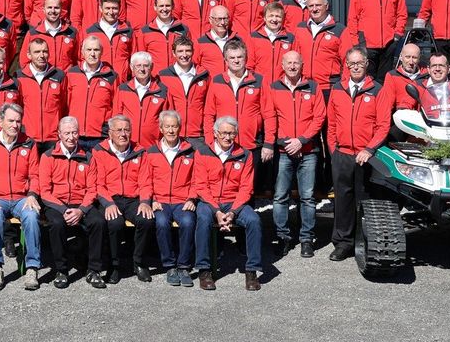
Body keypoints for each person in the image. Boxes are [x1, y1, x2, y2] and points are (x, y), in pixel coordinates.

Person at [325, 47, 390, 262]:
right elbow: (331, 123)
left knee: (365, 201)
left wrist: (369, 149)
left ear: (367, 64)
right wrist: (334, 150)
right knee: (342, 200)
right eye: (351, 63)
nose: (355, 67)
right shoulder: (337, 89)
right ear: (346, 65)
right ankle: (343, 243)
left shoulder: (377, 89)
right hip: (342, 154)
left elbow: (383, 125)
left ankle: (366, 241)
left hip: (366, 156)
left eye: (359, 63)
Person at [0, 103, 43, 291]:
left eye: (18, 121)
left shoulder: (29, 143)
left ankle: (32, 267)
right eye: (11, 121)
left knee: (32, 217)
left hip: (22, 198)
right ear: (1, 121)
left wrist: (32, 194)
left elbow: (35, 175)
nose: (15, 125)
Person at [192, 116, 263, 291]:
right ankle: (204, 270)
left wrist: (232, 212)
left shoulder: (245, 154)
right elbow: (201, 186)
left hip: (234, 202)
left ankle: (252, 270)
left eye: (231, 133)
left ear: (236, 134)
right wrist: (217, 211)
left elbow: (246, 188)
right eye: (223, 133)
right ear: (215, 133)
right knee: (202, 219)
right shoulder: (202, 152)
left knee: (254, 220)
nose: (227, 137)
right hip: (209, 201)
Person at [267, 51, 324, 258]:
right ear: (282, 65)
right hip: (283, 151)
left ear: (302, 65)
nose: (292, 66)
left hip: (308, 151)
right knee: (280, 196)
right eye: (289, 63)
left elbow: (319, 117)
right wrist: (285, 142)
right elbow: (270, 116)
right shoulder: (274, 87)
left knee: (307, 197)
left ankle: (306, 239)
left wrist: (301, 140)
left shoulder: (313, 87)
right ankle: (282, 237)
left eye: (296, 63)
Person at [37, 117, 106, 288]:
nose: (70, 137)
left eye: (74, 132)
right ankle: (62, 270)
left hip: (81, 203)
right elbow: (44, 191)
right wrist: (63, 209)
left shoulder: (88, 157)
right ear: (59, 134)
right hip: (56, 203)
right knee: (56, 224)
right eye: (66, 133)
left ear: (79, 133)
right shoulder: (48, 156)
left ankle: (94, 270)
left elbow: (92, 189)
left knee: (98, 222)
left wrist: (81, 210)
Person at [137, 111, 201, 287]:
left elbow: (197, 179)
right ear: (161, 129)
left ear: (179, 128)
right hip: (161, 201)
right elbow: (146, 180)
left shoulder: (190, 151)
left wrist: (192, 198)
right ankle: (170, 265)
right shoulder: (151, 152)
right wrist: (151, 201)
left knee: (188, 222)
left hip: (182, 201)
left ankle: (184, 266)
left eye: (174, 126)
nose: (171, 130)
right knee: (161, 223)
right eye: (167, 127)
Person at [89, 115, 155, 283]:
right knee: (115, 223)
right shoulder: (99, 151)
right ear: (110, 133)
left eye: (127, 130)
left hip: (133, 199)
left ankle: (138, 262)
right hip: (110, 198)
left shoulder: (140, 151)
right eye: (119, 130)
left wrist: (145, 202)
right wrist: (108, 203)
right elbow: (98, 184)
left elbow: (146, 182)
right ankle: (114, 265)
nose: (123, 134)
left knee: (146, 220)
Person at [202, 41, 275, 160]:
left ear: (246, 58)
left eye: (239, 57)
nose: (236, 61)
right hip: (224, 146)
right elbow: (209, 115)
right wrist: (210, 142)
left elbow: (269, 114)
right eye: (232, 58)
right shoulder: (217, 81)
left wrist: (269, 143)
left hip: (252, 145)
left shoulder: (258, 80)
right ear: (226, 61)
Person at [346, 0, 409, 79]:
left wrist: (397, 36)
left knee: (385, 80)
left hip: (389, 44)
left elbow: (402, 14)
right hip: (366, 44)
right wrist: (356, 42)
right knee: (367, 81)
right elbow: (353, 17)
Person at [16, 38, 69, 154]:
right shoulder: (19, 77)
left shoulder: (59, 75)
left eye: (44, 51)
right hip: (28, 137)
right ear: (29, 55)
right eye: (37, 52)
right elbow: (17, 108)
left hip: (53, 138)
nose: (41, 55)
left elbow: (64, 106)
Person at [291, 0, 347, 98]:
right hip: (304, 85)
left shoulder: (340, 30)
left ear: (326, 6)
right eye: (311, 6)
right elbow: (295, 56)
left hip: (329, 87)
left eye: (318, 5)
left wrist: (344, 86)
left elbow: (347, 61)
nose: (314, 9)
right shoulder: (300, 28)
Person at [66, 36, 120, 147]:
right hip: (75, 134)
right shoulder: (72, 73)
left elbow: (116, 106)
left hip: (100, 135)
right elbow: (65, 103)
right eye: (89, 50)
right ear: (82, 52)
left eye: (96, 50)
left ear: (102, 52)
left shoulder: (111, 76)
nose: (92, 54)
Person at [113, 51, 173, 146]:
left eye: (146, 66)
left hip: (153, 146)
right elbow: (116, 117)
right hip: (128, 145)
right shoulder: (122, 89)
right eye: (138, 65)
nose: (142, 69)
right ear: (132, 67)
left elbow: (168, 119)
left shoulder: (162, 90)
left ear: (151, 67)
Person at [157, 36, 209, 139]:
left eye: (188, 51)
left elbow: (209, 106)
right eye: (180, 51)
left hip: (198, 135)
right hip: (172, 135)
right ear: (174, 53)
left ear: (193, 52)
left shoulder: (204, 75)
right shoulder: (163, 76)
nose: (184, 55)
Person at [78, 0, 134, 79]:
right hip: (99, 81)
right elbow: (83, 58)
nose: (111, 12)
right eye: (107, 8)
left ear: (119, 9)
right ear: (101, 8)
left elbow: (134, 58)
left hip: (122, 81)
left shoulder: (128, 31)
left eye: (114, 8)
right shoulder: (90, 32)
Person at [134, 0, 191, 76]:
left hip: (177, 78)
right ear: (155, 7)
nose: (164, 9)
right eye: (161, 6)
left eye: (167, 5)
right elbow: (140, 60)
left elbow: (190, 55)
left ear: (173, 6)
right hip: (155, 80)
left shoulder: (183, 29)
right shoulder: (144, 32)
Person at [19, 0, 78, 70]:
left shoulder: (72, 33)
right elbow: (24, 62)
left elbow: (77, 60)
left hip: (66, 77)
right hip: (43, 77)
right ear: (43, 9)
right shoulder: (32, 34)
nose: (53, 11)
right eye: (49, 7)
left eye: (56, 8)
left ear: (61, 9)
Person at [247, 2, 296, 82]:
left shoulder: (290, 39)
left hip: (282, 86)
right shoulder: (254, 37)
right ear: (264, 18)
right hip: (260, 85)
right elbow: (249, 65)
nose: (274, 19)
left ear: (283, 19)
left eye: (278, 16)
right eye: (271, 16)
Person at [195, 5, 236, 78]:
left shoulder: (237, 40)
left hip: (233, 84)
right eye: (219, 19)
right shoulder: (200, 43)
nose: (222, 22)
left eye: (225, 19)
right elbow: (194, 66)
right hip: (211, 84)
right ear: (210, 20)